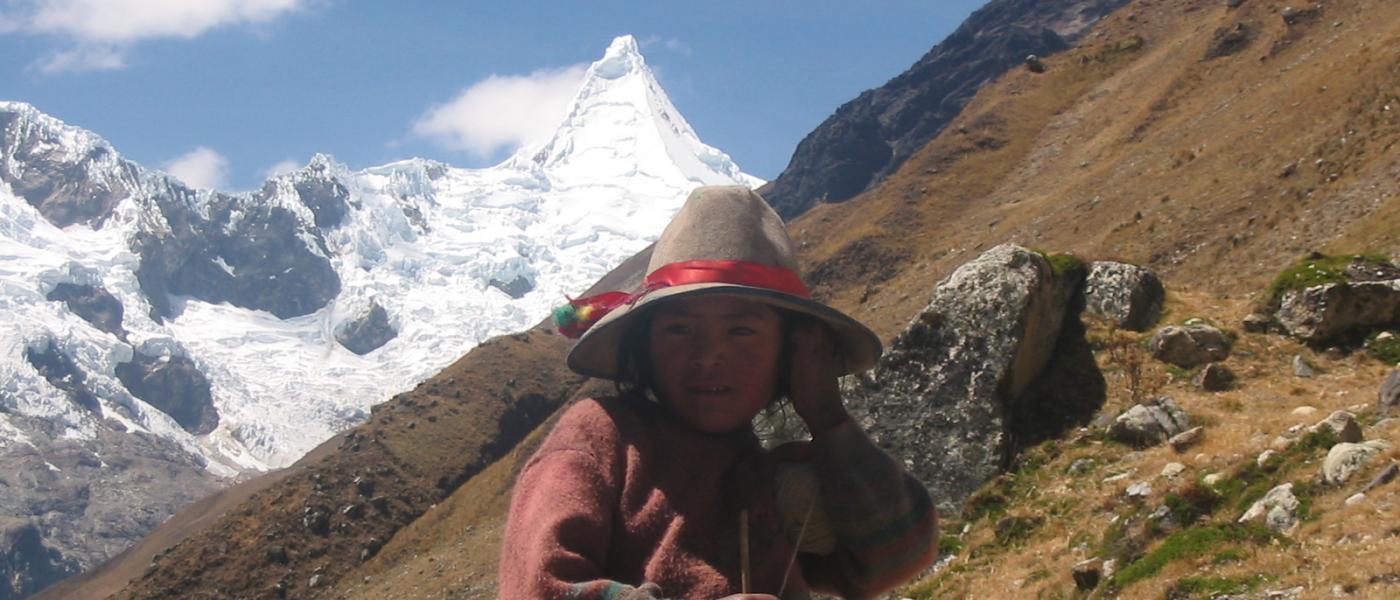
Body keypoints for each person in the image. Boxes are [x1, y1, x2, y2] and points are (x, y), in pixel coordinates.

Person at [499, 186, 937, 599]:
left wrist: (827, 416)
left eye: (742, 330)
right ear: (644, 348)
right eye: (680, 329)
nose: (708, 355)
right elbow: (540, 586)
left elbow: (897, 559)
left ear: (791, 352)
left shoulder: (772, 475)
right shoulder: (601, 438)